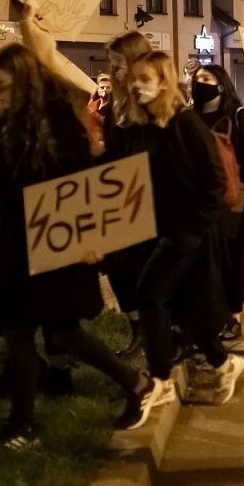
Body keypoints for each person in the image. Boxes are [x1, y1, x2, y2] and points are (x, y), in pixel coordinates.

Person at [0, 44, 155, 447]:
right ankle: (136, 385)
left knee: (50, 330)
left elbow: (77, 186)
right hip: (14, 242)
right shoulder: (1, 124)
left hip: (50, 243)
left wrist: (90, 239)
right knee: (46, 329)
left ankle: (22, 425)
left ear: (22, 83)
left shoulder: (57, 124)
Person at [127, 51, 244, 403]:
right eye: (134, 79)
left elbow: (214, 180)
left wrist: (192, 229)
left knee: (150, 293)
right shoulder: (148, 126)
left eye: (145, 79)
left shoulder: (186, 123)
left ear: (164, 82)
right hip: (169, 229)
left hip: (190, 232)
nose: (136, 86)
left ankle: (160, 378)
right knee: (189, 304)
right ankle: (223, 363)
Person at [190, 63, 244, 342]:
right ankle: (210, 315)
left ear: (221, 84)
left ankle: (233, 317)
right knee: (203, 258)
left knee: (230, 257)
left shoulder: (241, 117)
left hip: (235, 198)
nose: (200, 82)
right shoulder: (188, 118)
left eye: (207, 78)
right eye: (197, 78)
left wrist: (238, 176)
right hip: (200, 199)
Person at [102, 31, 154, 350]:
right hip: (121, 194)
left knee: (146, 267)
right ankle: (137, 326)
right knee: (117, 265)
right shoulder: (116, 103)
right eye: (112, 63)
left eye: (119, 62)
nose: (113, 69)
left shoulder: (152, 99)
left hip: (149, 196)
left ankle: (158, 330)